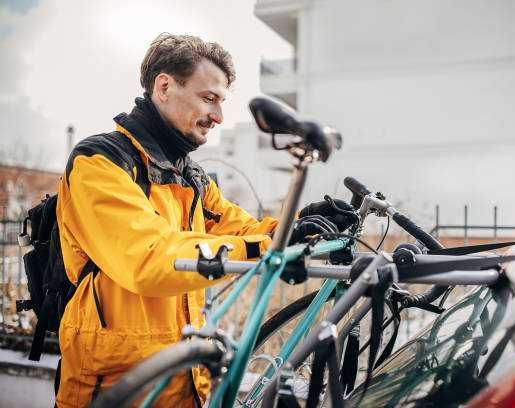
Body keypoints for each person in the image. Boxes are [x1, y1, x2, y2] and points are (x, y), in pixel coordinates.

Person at [55, 33, 352, 407]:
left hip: (187, 384)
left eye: (221, 102)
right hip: (120, 387)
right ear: (164, 86)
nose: (218, 116)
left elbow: (241, 229)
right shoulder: (100, 163)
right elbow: (149, 259)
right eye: (208, 98)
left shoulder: (189, 175)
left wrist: (295, 226)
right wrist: (273, 245)